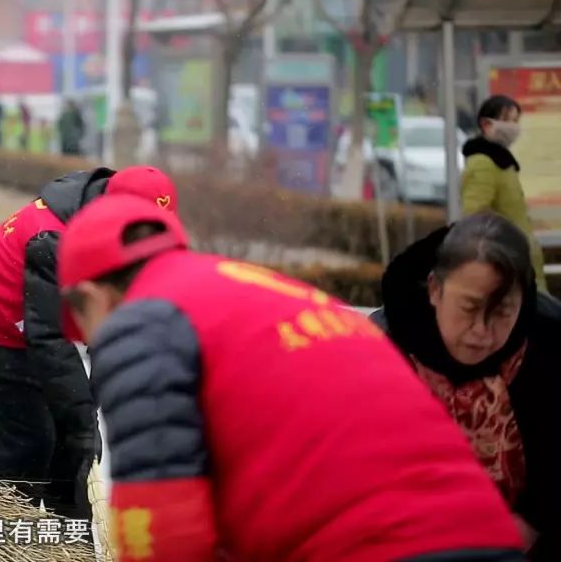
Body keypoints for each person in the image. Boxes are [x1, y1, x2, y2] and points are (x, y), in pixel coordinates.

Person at [56, 193, 527, 561]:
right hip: (485, 535)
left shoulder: (144, 318)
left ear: (93, 297)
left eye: (85, 327)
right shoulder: (267, 293)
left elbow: (164, 526)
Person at [0, 165, 177, 529]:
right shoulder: (51, 238)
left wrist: (88, 418)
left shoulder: (128, 238)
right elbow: (49, 337)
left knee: (72, 453)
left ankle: (67, 544)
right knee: (33, 447)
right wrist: (81, 419)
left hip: (40, 335)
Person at [372, 212, 561, 559]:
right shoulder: (378, 350)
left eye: (503, 311)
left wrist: (529, 525)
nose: (482, 331)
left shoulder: (549, 343)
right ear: (434, 289)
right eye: (469, 308)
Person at [461, 95, 546, 290]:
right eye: (507, 120)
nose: (513, 127)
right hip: (508, 265)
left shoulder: (502, 162)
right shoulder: (484, 162)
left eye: (516, 121)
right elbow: (475, 215)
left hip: (520, 261)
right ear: (486, 124)